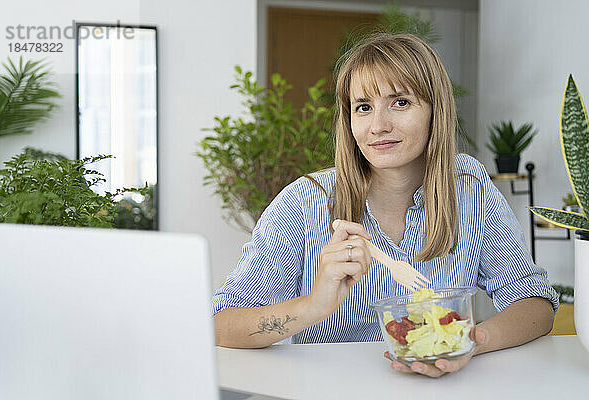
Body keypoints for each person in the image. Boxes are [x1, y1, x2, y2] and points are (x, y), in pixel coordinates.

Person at [212, 32, 558, 377]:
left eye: (400, 102)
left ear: (434, 111)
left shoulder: (468, 186)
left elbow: (535, 303)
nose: (378, 126)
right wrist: (314, 305)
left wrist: (468, 342)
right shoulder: (304, 203)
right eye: (364, 107)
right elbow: (220, 325)